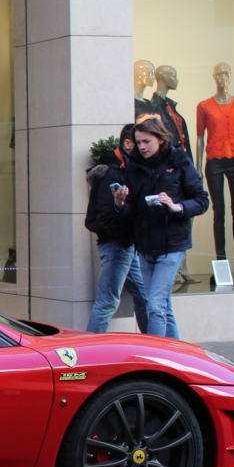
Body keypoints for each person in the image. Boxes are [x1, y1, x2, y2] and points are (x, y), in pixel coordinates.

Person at [111, 117, 209, 339]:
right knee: (162, 304)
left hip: (172, 244)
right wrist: (119, 203)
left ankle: (156, 357)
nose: (142, 147)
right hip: (145, 246)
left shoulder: (179, 160)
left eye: (147, 141)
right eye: (138, 142)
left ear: (160, 139)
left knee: (154, 304)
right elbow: (130, 210)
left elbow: (202, 200)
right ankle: (177, 355)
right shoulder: (134, 165)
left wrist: (177, 207)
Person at [84, 124, 148, 334]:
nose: (143, 148)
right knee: (107, 302)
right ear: (128, 144)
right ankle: (89, 353)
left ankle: (155, 344)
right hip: (118, 245)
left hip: (123, 245)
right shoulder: (111, 174)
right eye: (139, 143)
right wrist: (124, 238)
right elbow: (103, 217)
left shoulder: (122, 170)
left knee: (143, 297)